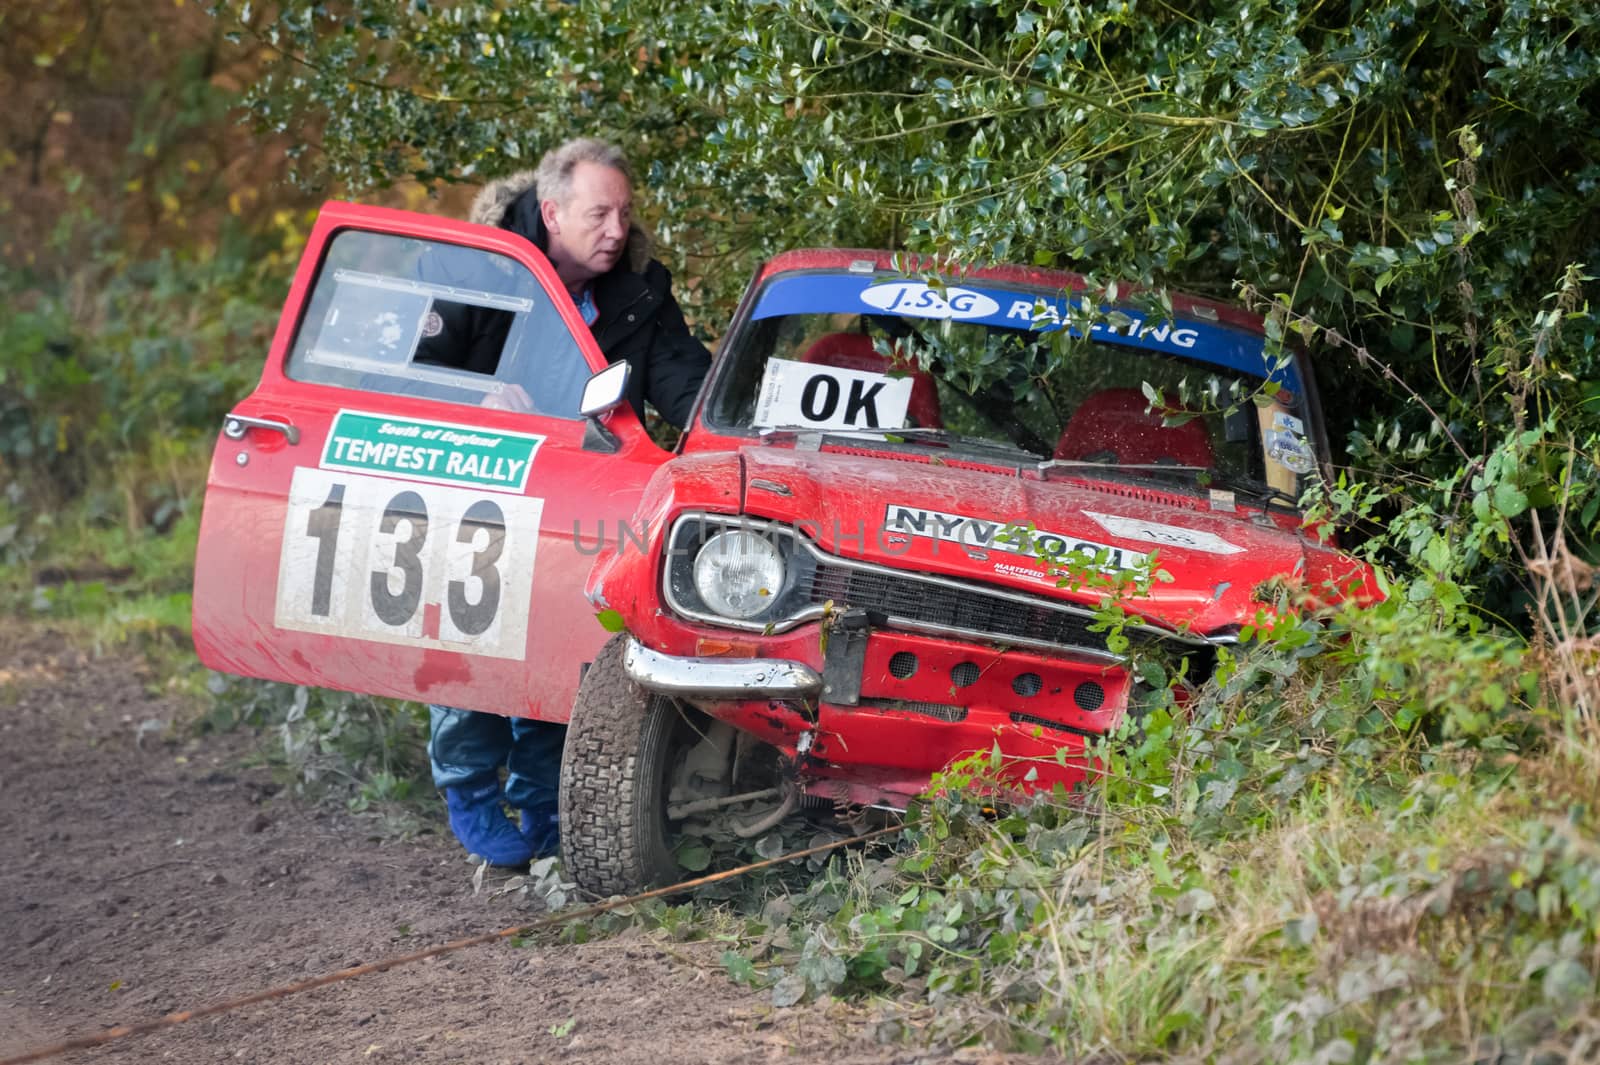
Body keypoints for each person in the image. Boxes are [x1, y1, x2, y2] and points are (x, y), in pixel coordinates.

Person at [429, 138, 712, 866]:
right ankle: (470, 789)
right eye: (599, 213)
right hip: (482, 486)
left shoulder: (642, 289)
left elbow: (684, 384)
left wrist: (740, 421)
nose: (617, 230)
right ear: (551, 212)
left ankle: (539, 796)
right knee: (475, 641)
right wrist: (475, 396)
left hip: (583, 489)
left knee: (567, 641)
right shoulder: (475, 266)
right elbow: (417, 376)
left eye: (624, 212)